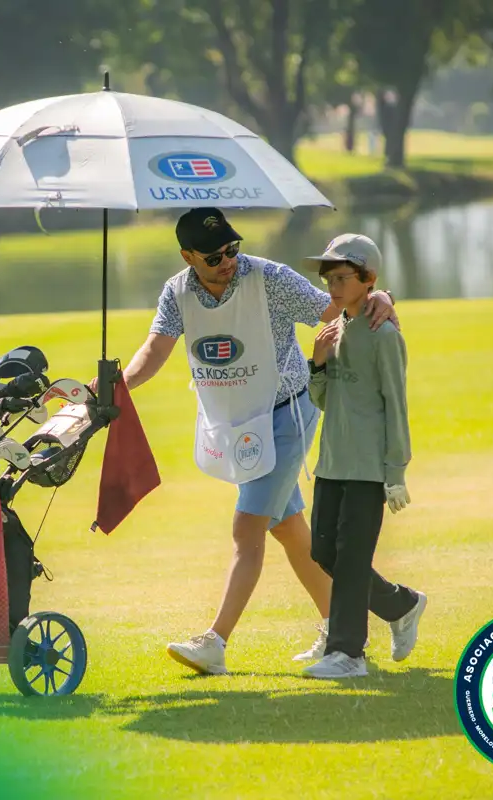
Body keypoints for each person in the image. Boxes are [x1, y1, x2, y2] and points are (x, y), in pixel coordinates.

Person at [110, 207, 397, 676]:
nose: (227, 260)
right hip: (240, 426)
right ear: (187, 257)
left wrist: (379, 294)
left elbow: (330, 308)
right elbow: (155, 350)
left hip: (287, 414)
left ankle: (215, 642)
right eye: (213, 256)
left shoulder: (269, 279)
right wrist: (117, 387)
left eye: (232, 249)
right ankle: (371, 615)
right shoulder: (176, 292)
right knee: (287, 528)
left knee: (247, 529)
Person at [302, 234, 426, 678]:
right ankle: (401, 605)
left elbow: (396, 404)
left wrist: (396, 471)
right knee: (324, 552)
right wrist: (318, 361)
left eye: (342, 278)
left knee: (352, 559)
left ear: (368, 279)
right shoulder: (335, 330)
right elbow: (323, 400)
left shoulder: (384, 335)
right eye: (329, 279)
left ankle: (348, 654)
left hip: (369, 467)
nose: (333, 287)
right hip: (332, 462)